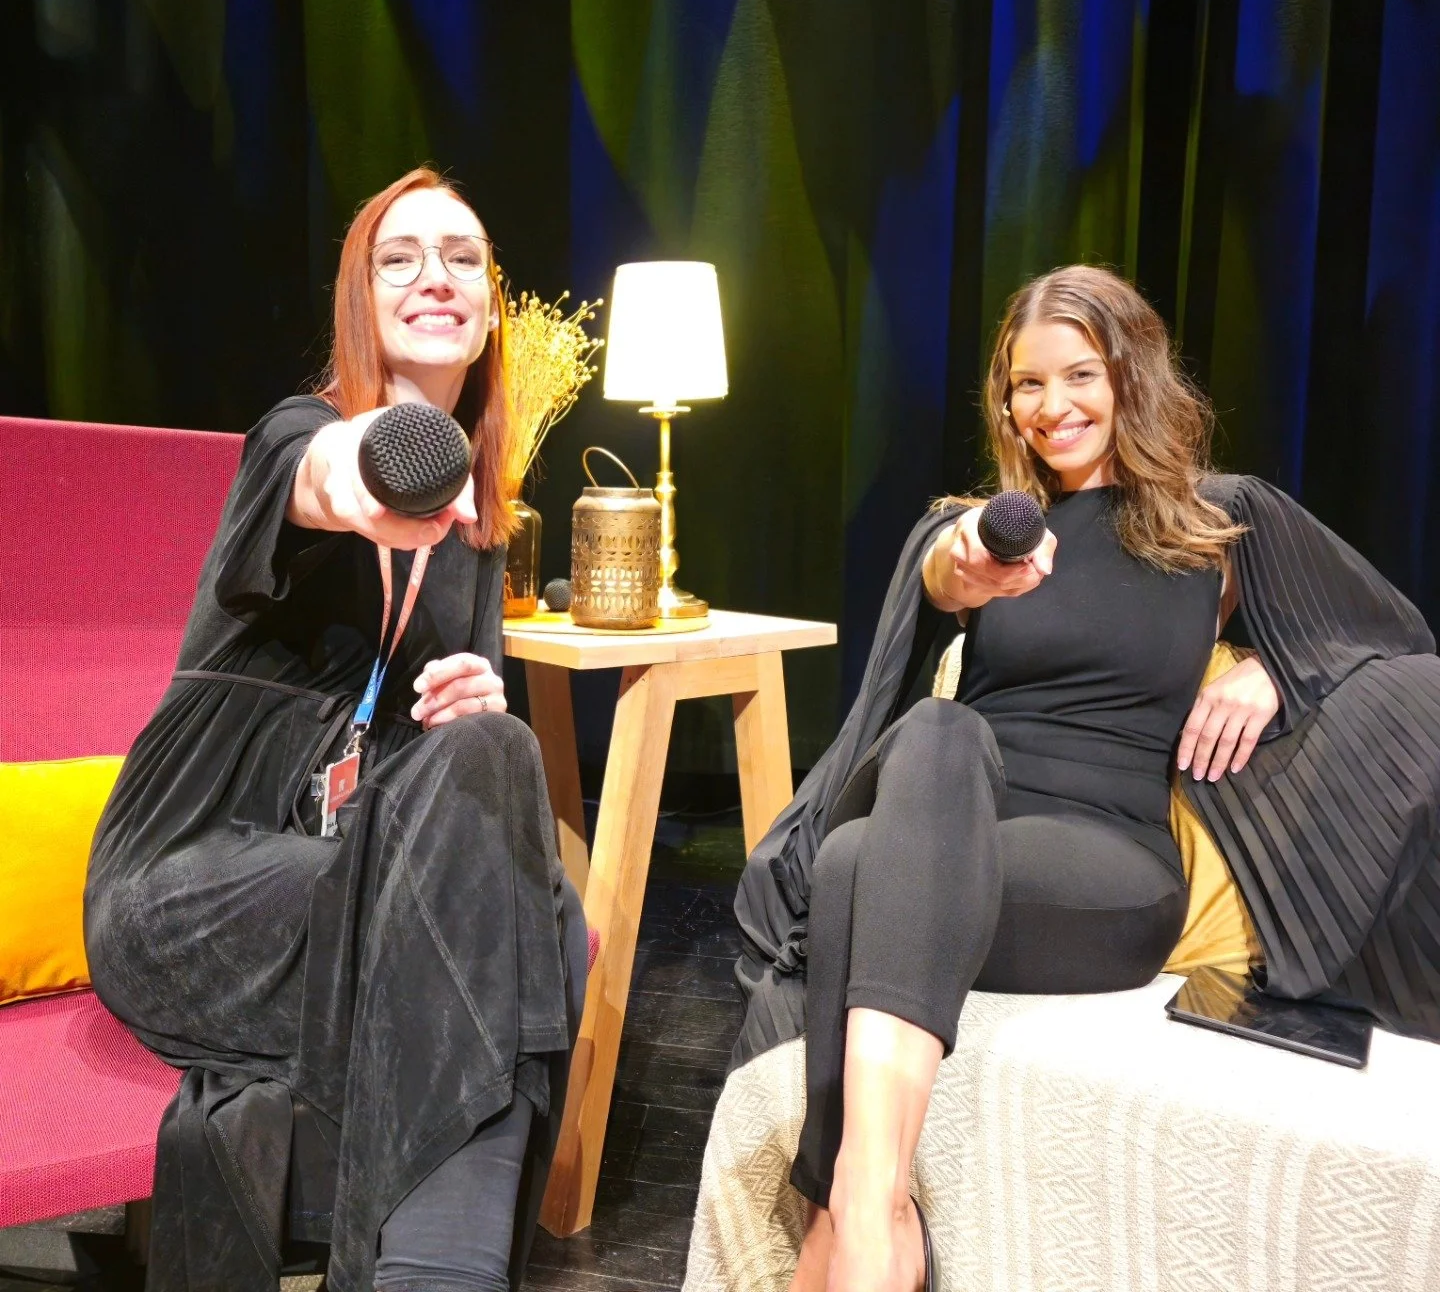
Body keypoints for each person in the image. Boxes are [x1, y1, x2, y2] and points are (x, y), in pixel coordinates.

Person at [729, 265, 1440, 1292]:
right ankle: (876, 1215)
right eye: (1027, 384)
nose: (1052, 405)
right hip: (953, 820)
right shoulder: (980, 529)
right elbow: (941, 576)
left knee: (850, 865)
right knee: (938, 736)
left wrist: (1272, 670)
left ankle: (847, 1221)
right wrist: (965, 564)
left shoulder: (1221, 525)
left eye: (1078, 375)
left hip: (1106, 874)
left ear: (1131, 375)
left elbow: (1395, 641)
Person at [84, 167, 587, 1292]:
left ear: (494, 305)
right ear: (360, 301)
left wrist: (467, 724)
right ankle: (436, 1271)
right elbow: (324, 474)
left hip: (335, 885)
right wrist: (373, 472)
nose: (434, 278)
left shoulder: (477, 537)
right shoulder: (301, 438)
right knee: (529, 929)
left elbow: (425, 803)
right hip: (184, 890)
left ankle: (428, 1269)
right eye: (397, 258)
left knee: (504, 785)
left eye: (462, 258)